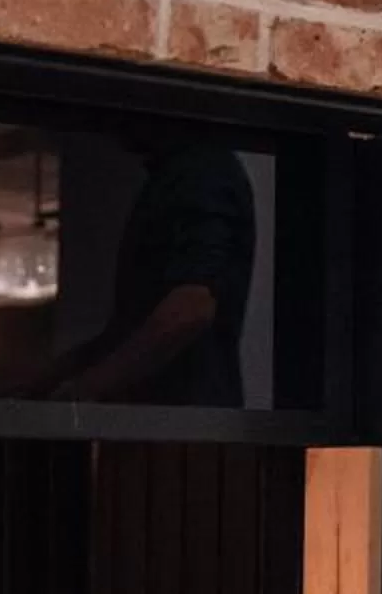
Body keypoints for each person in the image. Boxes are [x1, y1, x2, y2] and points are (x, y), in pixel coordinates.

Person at [46, 134, 257, 405]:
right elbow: (137, 326)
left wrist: (85, 389)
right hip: (179, 425)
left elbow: (192, 307)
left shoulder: (199, 173)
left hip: (180, 426)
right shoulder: (185, 176)